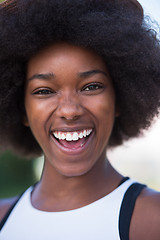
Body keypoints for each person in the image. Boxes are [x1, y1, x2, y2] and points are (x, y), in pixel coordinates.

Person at [0, 0, 160, 239]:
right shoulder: (3, 219)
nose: (69, 110)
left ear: (119, 98)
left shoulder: (151, 220)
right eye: (44, 90)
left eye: (91, 86)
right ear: (22, 109)